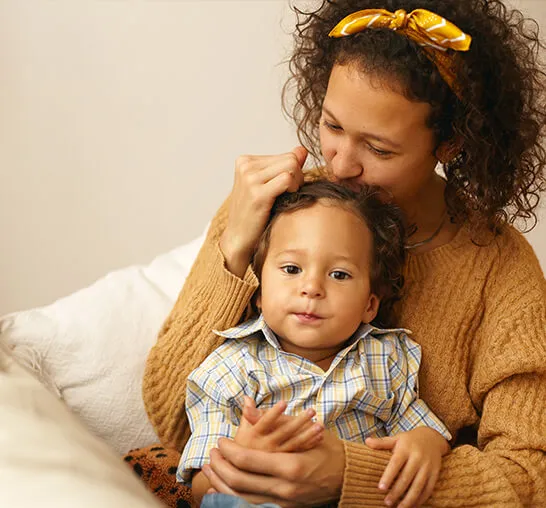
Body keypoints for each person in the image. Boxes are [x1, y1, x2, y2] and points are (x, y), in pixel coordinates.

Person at [142, 1, 546, 507]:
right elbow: (172, 420)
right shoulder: (274, 207)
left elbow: (531, 475)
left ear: (451, 144)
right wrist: (235, 248)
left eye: (378, 149)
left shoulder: (501, 269)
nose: (341, 165)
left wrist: (354, 476)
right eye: (331, 127)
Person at [177, 182, 451, 506]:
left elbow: (418, 429)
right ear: (260, 293)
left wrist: (427, 443)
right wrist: (242, 453)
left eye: (339, 275)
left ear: (370, 305)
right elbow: (199, 488)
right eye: (292, 269)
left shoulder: (385, 359)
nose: (311, 288)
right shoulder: (231, 368)